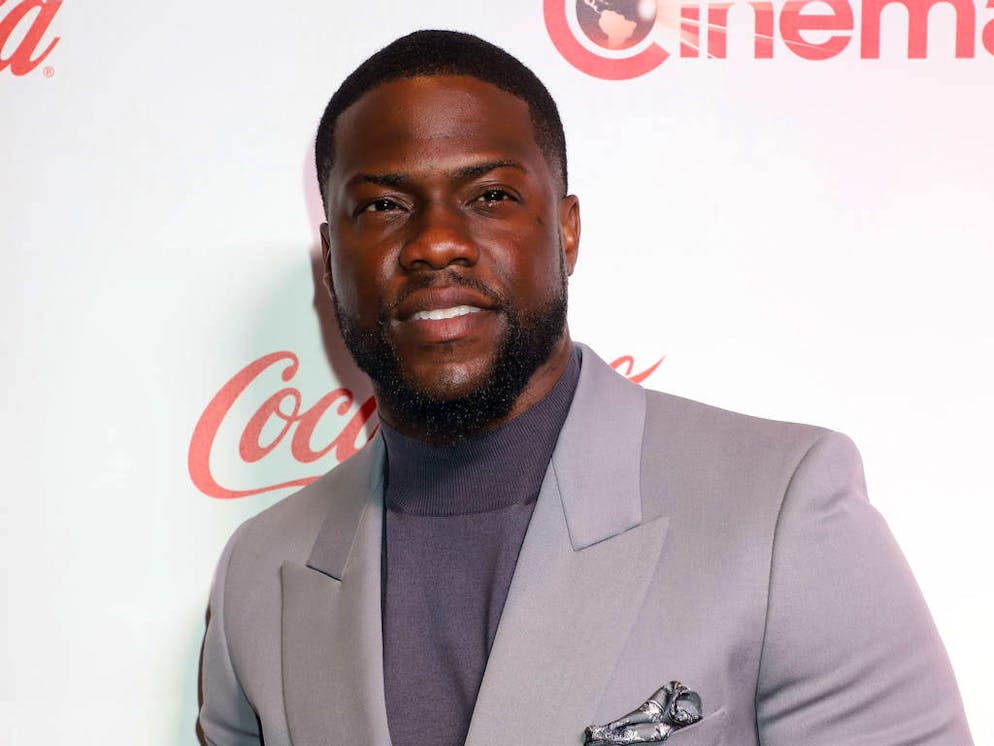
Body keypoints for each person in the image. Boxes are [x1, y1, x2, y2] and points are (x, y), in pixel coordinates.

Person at [197, 30, 972, 746]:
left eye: (490, 196)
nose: (436, 243)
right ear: (331, 258)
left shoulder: (780, 512)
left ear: (567, 231)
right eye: (383, 205)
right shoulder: (257, 574)